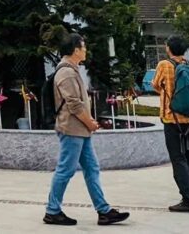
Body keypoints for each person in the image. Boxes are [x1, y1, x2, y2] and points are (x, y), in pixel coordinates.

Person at [44, 33, 130, 226]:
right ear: (75, 50)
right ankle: (52, 211)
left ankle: (104, 211)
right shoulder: (65, 72)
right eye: (83, 47)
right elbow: (74, 105)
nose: (85, 51)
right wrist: (90, 122)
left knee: (92, 168)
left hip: (81, 129)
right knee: (65, 170)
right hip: (72, 129)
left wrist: (89, 123)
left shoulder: (72, 69)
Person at [152, 35, 189, 213]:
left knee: (178, 159)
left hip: (171, 118)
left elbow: (155, 85)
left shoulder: (164, 65)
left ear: (168, 48)